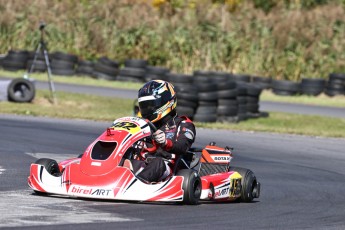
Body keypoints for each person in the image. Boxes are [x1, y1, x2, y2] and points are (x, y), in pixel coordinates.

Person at [125, 80, 196, 183]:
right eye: (144, 106)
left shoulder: (184, 124)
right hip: (140, 165)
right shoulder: (141, 124)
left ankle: (134, 184)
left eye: (150, 105)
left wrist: (166, 142)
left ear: (166, 103)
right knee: (122, 158)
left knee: (158, 162)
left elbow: (183, 146)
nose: (147, 109)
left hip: (166, 170)